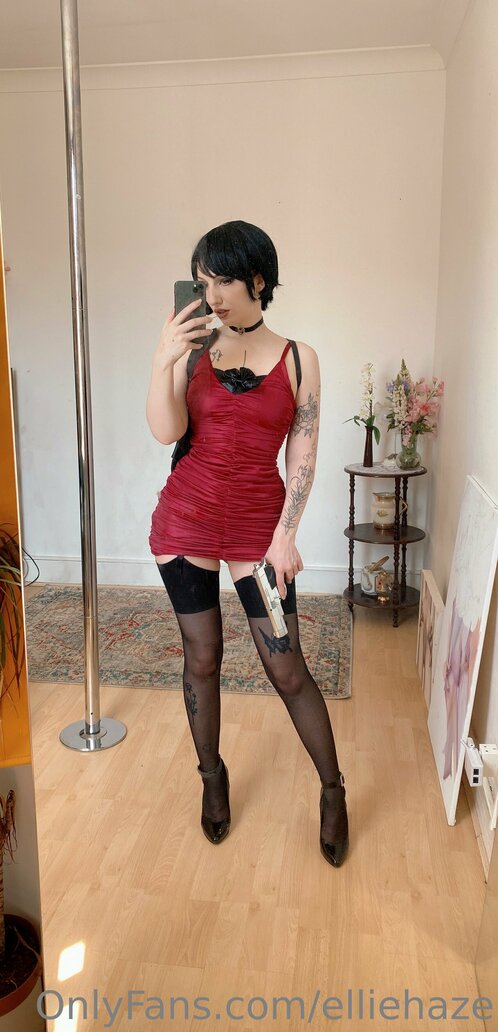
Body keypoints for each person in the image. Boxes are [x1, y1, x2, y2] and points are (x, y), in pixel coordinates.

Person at [146, 220, 349, 867]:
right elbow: (165, 431)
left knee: (286, 667)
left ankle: (333, 789)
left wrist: (286, 536)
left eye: (223, 281)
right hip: (186, 521)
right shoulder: (193, 350)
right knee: (201, 658)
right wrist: (164, 359)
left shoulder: (299, 359)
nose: (211, 296)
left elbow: (303, 452)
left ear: (258, 279)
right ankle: (212, 778)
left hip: (259, 530)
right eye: (202, 283)